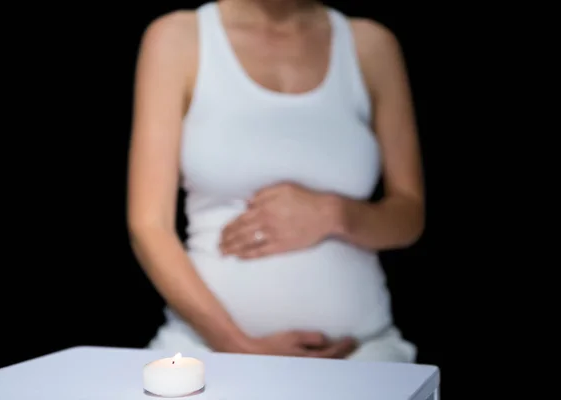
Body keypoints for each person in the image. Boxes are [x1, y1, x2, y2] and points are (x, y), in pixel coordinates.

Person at [127, 0, 424, 362]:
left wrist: (334, 214)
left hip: (362, 353)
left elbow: (409, 214)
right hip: (205, 352)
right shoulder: (178, 38)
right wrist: (239, 346)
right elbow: (148, 224)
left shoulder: (370, 45)